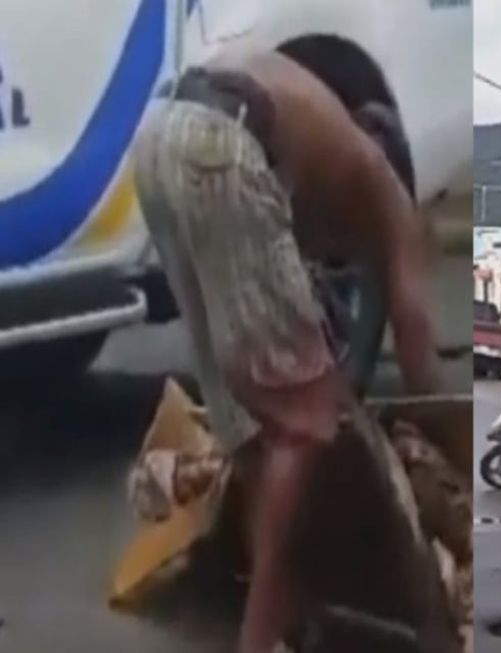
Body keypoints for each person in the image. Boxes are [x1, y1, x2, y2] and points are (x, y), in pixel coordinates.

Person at [132, 52, 442, 653]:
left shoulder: (313, 139)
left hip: (158, 139)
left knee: (249, 424)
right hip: (220, 146)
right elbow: (412, 322)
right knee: (308, 425)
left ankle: (289, 608)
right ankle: (263, 633)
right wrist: (435, 426)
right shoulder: (377, 177)